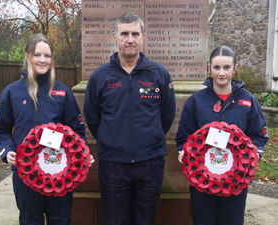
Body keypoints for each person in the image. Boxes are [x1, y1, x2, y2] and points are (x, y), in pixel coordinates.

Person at [0, 33, 94, 225]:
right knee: (30, 220)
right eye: (37, 55)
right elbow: (0, 130)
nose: (42, 60)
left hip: (60, 172)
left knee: (60, 220)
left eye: (47, 56)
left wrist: (83, 153)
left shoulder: (63, 93)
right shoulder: (12, 92)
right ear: (28, 56)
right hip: (25, 172)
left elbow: (76, 130)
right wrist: (7, 151)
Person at [84, 13, 176, 225]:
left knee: (145, 219)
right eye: (124, 33)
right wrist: (111, 139)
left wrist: (149, 138)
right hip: (113, 164)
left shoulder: (159, 74)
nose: (130, 39)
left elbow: (167, 115)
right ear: (115, 37)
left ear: (143, 36)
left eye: (135, 33)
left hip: (150, 162)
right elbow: (92, 117)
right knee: (115, 220)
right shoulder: (100, 77)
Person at [176, 45, 268, 225]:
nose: (221, 73)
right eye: (216, 67)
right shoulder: (196, 101)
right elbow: (184, 137)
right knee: (203, 220)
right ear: (209, 68)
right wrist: (182, 150)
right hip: (203, 179)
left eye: (227, 67)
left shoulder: (248, 101)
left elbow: (259, 135)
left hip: (236, 180)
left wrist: (253, 155)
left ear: (235, 68)